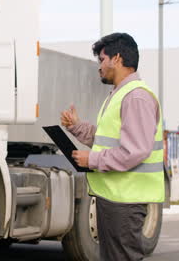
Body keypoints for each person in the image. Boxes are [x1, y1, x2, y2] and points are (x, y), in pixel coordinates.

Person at [61, 33, 164, 261]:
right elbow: (106, 139)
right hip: (117, 198)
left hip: (126, 200)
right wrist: (77, 127)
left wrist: (92, 160)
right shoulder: (120, 95)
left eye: (102, 60)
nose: (99, 67)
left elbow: (135, 151)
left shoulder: (136, 97)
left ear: (116, 59)